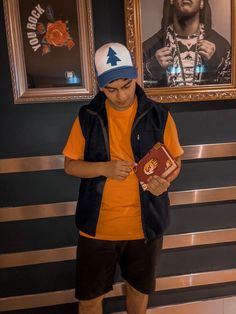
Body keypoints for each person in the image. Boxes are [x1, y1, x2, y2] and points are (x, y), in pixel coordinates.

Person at [63, 42, 184, 314]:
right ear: (100, 87)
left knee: (139, 295)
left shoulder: (159, 115)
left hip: (146, 227)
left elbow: (175, 162)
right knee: (89, 299)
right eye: (111, 89)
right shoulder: (88, 117)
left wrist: (165, 181)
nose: (120, 96)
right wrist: (104, 169)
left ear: (136, 76)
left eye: (126, 86)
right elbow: (70, 166)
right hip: (97, 227)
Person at [143, 0, 231, 87]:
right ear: (171, 1)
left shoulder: (222, 47)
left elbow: (231, 92)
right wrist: (151, 68)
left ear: (202, 3)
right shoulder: (149, 48)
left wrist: (217, 62)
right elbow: (134, 88)